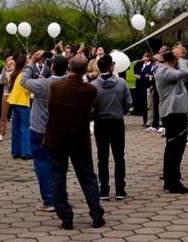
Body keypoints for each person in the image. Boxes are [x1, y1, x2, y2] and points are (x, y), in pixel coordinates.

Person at [45, 54, 105, 230]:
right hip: (79, 137)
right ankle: (96, 214)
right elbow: (93, 111)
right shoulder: (90, 90)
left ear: (69, 67)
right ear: (85, 70)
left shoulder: (55, 86)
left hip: (57, 137)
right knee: (87, 177)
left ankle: (66, 217)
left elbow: (50, 108)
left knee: (58, 177)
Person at [156, 50, 188, 193]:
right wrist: (183, 62)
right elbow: (182, 73)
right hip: (172, 113)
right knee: (174, 147)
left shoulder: (169, 70)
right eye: (177, 60)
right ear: (173, 60)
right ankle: (172, 181)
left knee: (177, 147)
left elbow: (183, 77)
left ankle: (172, 178)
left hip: (178, 112)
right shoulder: (164, 70)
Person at [23, 50, 64, 211]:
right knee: (59, 164)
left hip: (40, 129)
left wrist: (31, 62)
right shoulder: (68, 82)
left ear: (52, 67)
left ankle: (49, 199)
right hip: (60, 129)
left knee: (42, 163)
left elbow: (24, 80)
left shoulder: (42, 84)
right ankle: (61, 197)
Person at [92, 54, 131, 200]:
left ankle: (104, 190)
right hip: (117, 121)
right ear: (111, 66)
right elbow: (128, 102)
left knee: (102, 157)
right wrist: (121, 111)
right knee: (119, 156)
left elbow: (91, 106)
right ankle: (120, 189)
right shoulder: (121, 83)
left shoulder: (94, 85)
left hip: (100, 122)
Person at [6, 55, 33, 161]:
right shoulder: (25, 74)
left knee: (16, 127)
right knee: (26, 127)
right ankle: (26, 152)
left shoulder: (17, 73)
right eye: (29, 60)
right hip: (22, 102)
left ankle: (16, 151)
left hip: (14, 101)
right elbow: (27, 89)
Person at [0, 55, 16, 142]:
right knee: (3, 115)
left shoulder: (17, 72)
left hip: (15, 94)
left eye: (12, 61)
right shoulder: (4, 71)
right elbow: (2, 81)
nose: (11, 63)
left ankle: (15, 134)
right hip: (6, 93)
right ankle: (1, 132)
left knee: (16, 115)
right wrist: (5, 69)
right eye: (9, 61)